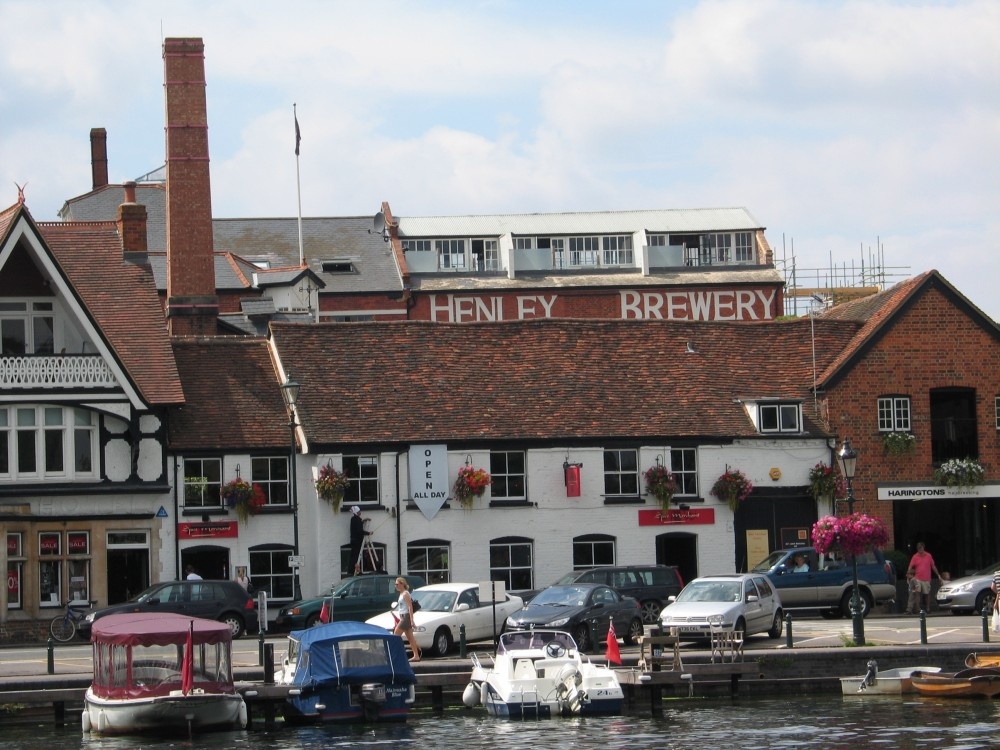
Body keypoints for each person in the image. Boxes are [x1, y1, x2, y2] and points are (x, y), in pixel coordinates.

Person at [907, 542, 941, 614]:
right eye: (919, 548)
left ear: (923, 548)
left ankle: (928, 608)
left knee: (927, 593)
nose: (920, 550)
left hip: (926, 578)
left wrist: (938, 575)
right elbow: (910, 566)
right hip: (917, 578)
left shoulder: (928, 556)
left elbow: (933, 566)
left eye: (921, 548)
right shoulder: (915, 556)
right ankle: (917, 608)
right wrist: (908, 574)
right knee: (917, 593)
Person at [393, 576, 421, 662]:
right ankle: (416, 655)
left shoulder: (405, 594)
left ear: (402, 584)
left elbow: (410, 607)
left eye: (397, 584)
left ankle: (396, 655)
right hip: (402, 616)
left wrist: (412, 620)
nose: (396, 586)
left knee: (395, 636)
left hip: (406, 617)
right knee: (410, 638)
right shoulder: (401, 594)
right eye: (395, 584)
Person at [349, 505, 370, 575]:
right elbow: (360, 531)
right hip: (357, 542)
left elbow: (357, 528)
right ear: (356, 512)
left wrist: (362, 522)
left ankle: (351, 570)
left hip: (353, 540)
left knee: (353, 556)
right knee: (356, 557)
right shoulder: (357, 520)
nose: (360, 512)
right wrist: (368, 533)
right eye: (359, 511)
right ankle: (354, 571)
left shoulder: (353, 519)